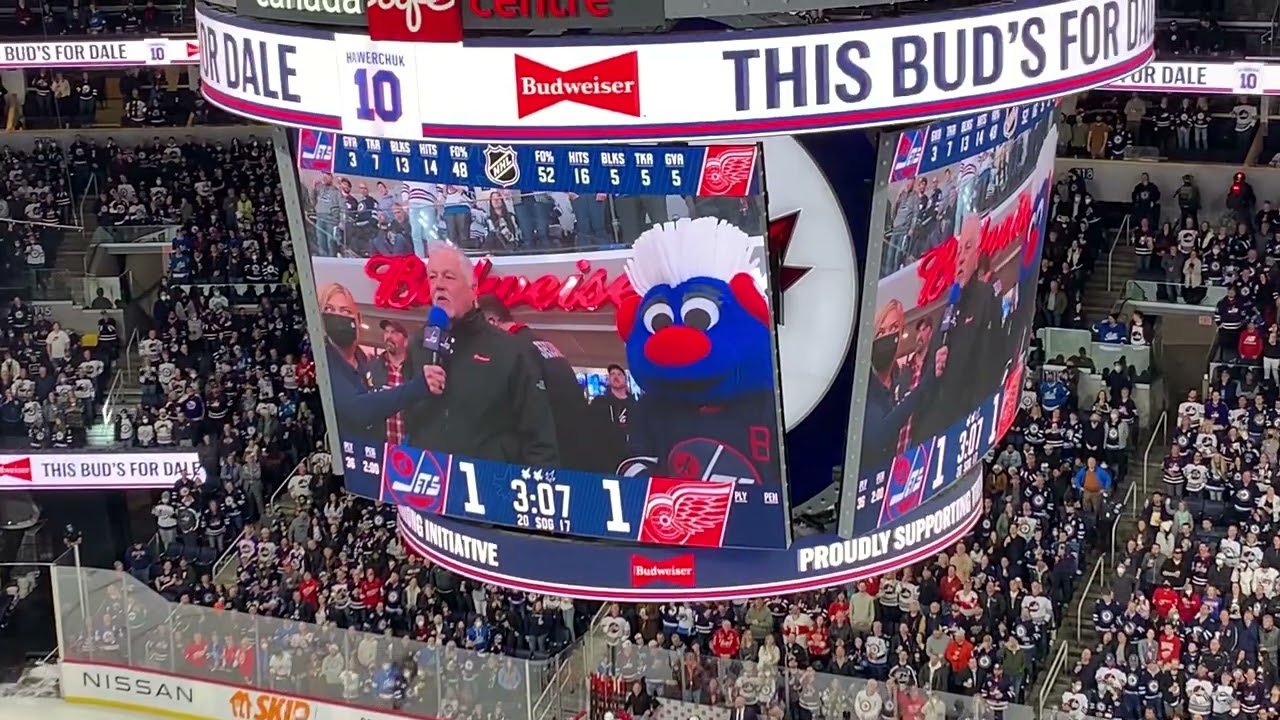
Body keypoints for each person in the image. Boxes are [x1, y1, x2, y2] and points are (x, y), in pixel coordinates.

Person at [403, 244, 559, 466]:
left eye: (449, 277)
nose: (439, 285)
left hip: (491, 489)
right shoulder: (418, 344)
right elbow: (411, 420)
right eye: (432, 277)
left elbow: (539, 439)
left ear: (472, 287)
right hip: (433, 485)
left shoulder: (509, 350)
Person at [916, 212, 1008, 444]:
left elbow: (989, 364)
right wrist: (934, 368)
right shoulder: (950, 303)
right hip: (934, 420)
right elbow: (929, 373)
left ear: (978, 255)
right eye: (958, 251)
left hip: (963, 420)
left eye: (967, 249)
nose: (960, 258)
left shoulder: (985, 296)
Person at [476, 292, 595, 471]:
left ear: (492, 322)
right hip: (576, 456)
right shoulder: (543, 344)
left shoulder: (512, 350)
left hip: (544, 464)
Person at [318, 282, 435, 445]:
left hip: (388, 455)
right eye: (329, 310)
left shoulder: (365, 363)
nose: (338, 317)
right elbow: (358, 409)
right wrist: (419, 386)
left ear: (358, 320)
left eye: (345, 311)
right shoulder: (324, 362)